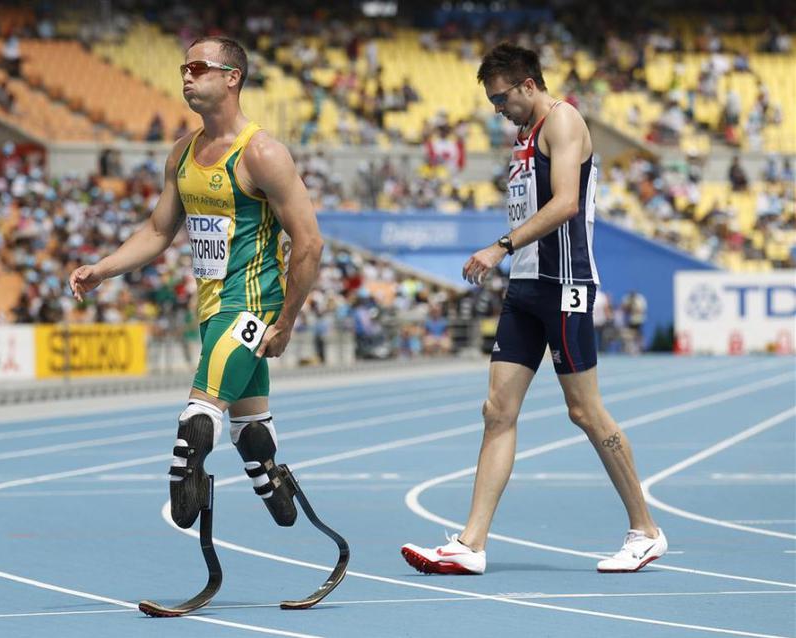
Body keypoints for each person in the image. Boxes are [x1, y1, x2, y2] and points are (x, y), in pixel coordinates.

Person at [69, 36, 337, 605]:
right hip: (211, 307)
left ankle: (186, 479)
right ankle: (269, 474)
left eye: (198, 67)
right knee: (249, 425)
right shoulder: (182, 154)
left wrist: (287, 321)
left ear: (232, 77)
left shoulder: (262, 154)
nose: (186, 77)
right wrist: (103, 269)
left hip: (252, 306)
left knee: (198, 417)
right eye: (183, 68)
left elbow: (309, 242)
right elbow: (158, 230)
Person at [401, 43, 666, 576]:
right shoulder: (523, 135)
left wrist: (499, 246)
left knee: (584, 410)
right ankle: (471, 543)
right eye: (492, 103)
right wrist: (512, 257)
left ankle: (646, 531)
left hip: (564, 283)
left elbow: (566, 202)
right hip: (524, 285)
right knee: (497, 411)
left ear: (528, 84)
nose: (499, 110)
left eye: (502, 99)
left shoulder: (562, 121)